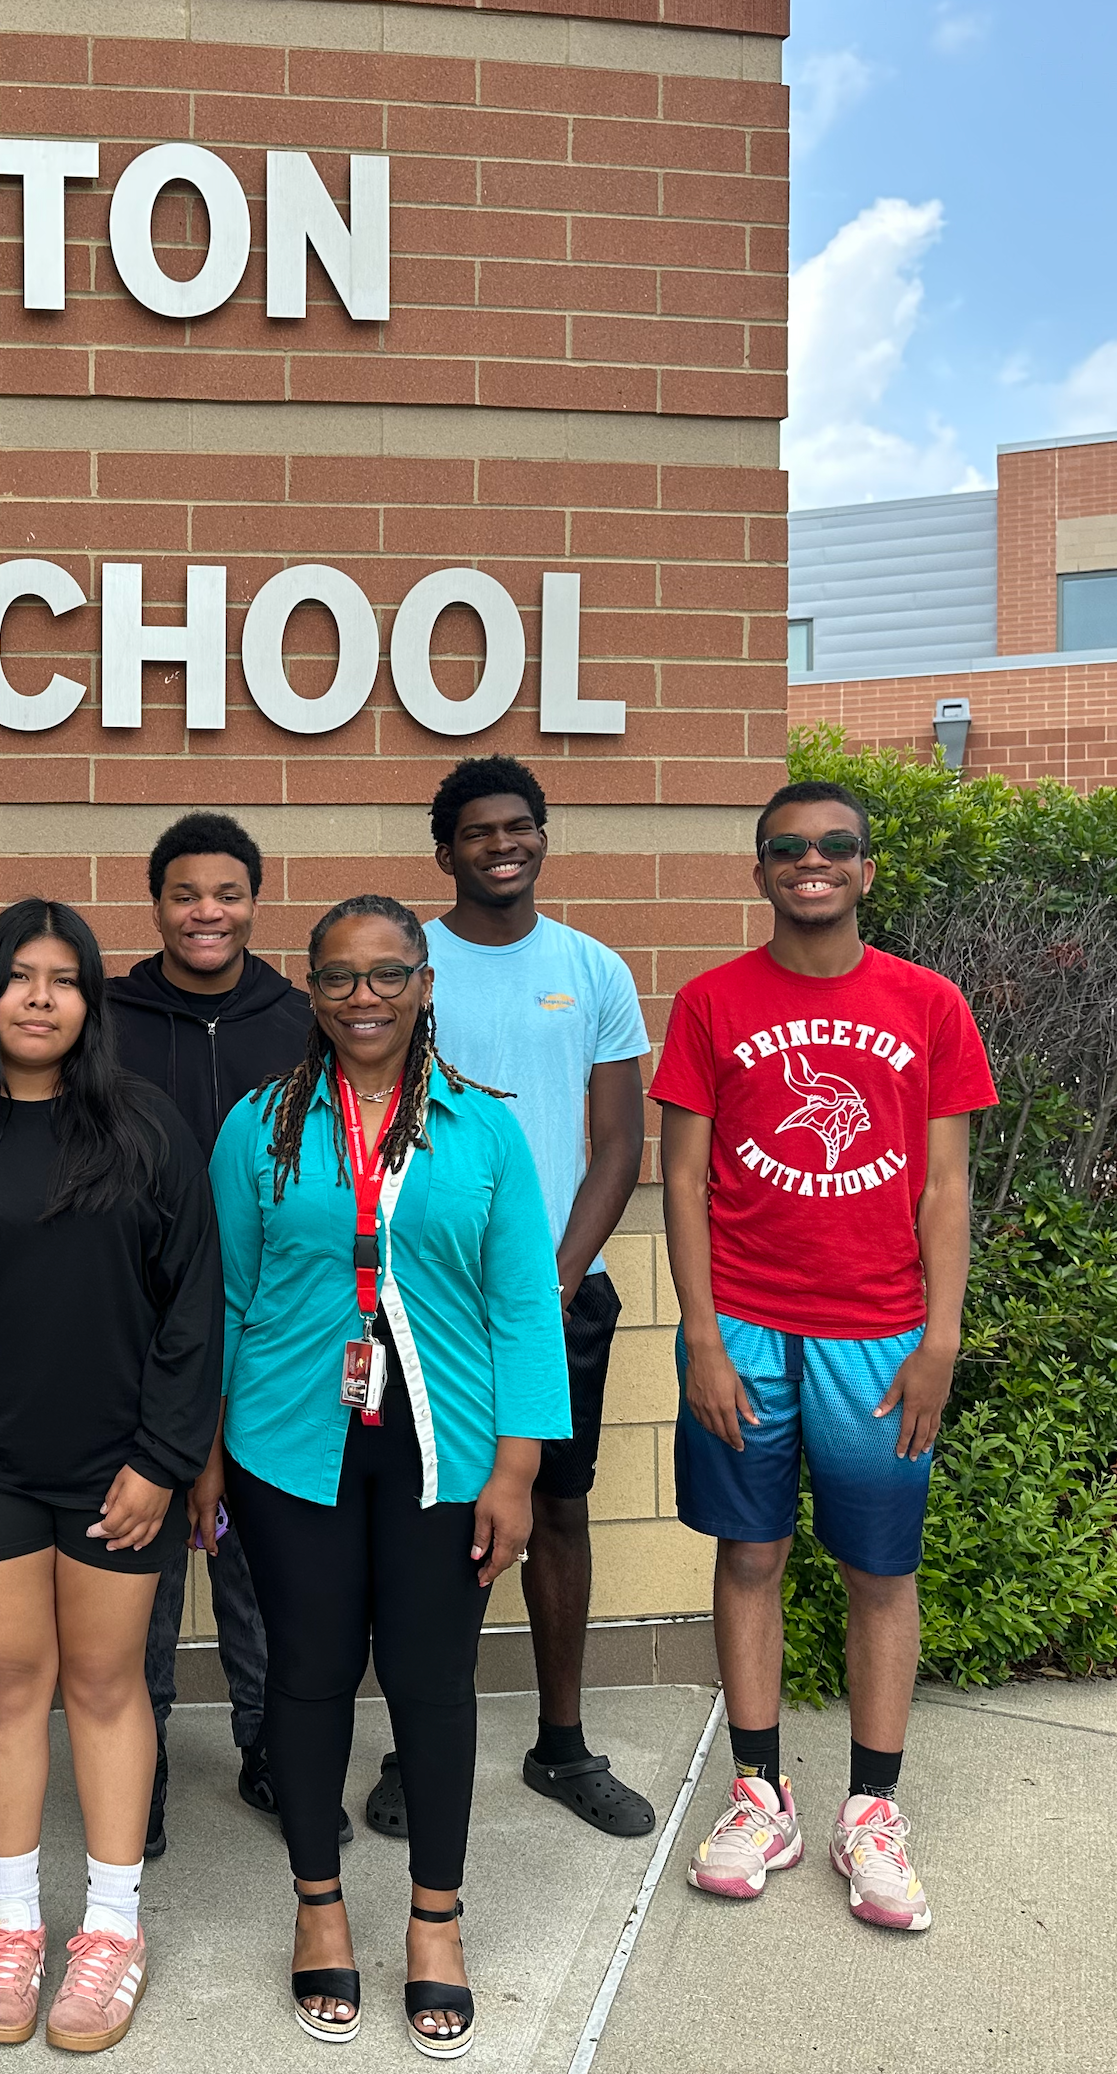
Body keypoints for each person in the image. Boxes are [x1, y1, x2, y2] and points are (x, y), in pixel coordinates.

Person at [201, 894, 568, 2053]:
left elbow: (520, 1304)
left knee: (430, 1681)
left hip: (445, 1447)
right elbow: (221, 1297)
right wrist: (204, 1454)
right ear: (308, 991)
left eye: (386, 974)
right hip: (283, 1442)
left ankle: (433, 1922)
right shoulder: (257, 1125)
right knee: (306, 1676)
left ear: (422, 985)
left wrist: (515, 1470)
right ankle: (318, 1907)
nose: (363, 996)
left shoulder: (482, 1131)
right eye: (339, 977)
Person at [0, 900, 221, 2055]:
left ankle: (110, 1930)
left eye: (63, 978)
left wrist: (162, 1461)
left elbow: (192, 1307)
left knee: (108, 1684)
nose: (38, 997)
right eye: (16, 976)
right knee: (9, 1685)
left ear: (88, 1001)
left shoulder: (145, 1127)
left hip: (115, 1466)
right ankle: (12, 1923)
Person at [656, 781, 993, 1931]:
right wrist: (698, 1334)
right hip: (743, 1327)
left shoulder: (927, 1003)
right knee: (747, 1554)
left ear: (863, 866)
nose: (812, 862)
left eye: (834, 846)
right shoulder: (708, 1003)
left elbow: (945, 1185)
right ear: (757, 869)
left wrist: (940, 1334)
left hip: (879, 1333)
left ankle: (870, 1811)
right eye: (788, 848)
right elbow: (685, 1180)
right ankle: (761, 1796)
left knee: (875, 1571)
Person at [354, 757, 652, 1842]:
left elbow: (617, 1143)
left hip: (558, 1293)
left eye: (516, 826)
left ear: (540, 836)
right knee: (419, 1520)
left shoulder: (591, 968)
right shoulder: (405, 968)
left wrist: (555, 1274)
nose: (499, 844)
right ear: (444, 852)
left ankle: (561, 1744)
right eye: (476, 831)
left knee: (556, 1510)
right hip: (414, 1304)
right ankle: (414, 1743)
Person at [104, 811, 312, 1855]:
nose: (205, 912)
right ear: (156, 905)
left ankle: (267, 1742)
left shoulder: (300, 1021)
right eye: (185, 894)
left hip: (270, 1335)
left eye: (225, 894)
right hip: (133, 1332)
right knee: (139, 1561)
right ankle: (131, 1773)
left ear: (252, 902)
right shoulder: (107, 1017)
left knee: (252, 1554)